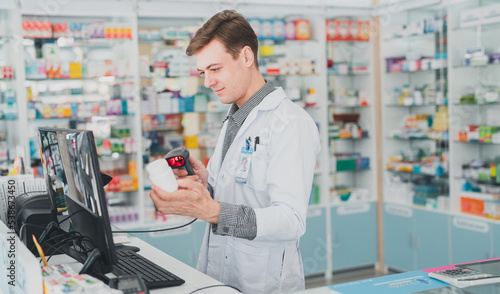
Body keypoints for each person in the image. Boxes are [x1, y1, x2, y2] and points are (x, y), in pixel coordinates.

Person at [150, 10, 320, 294]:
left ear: (246, 57)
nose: (208, 82)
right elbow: (239, 190)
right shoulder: (236, 116)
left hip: (263, 279)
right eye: (203, 72)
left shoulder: (290, 123)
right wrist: (206, 182)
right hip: (219, 272)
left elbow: (291, 220)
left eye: (215, 69)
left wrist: (213, 211)